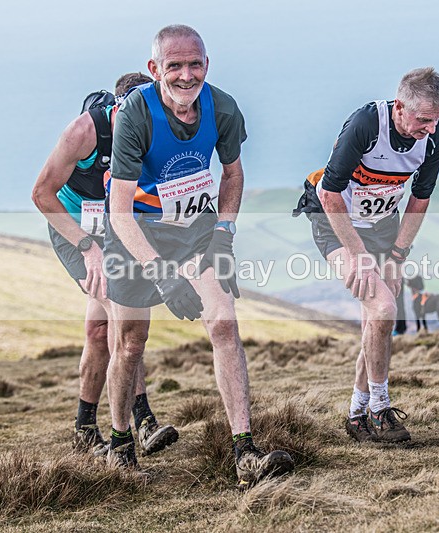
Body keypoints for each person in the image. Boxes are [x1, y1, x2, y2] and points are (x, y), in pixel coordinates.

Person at [104, 24, 294, 486]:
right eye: (174, 66)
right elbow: (120, 210)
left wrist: (225, 232)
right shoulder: (135, 115)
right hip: (138, 232)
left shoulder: (223, 108)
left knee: (225, 323)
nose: (186, 75)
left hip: (198, 229)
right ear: (155, 70)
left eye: (195, 64)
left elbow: (232, 175)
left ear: (206, 65)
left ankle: (244, 453)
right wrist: (163, 276)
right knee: (131, 341)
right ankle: (119, 443)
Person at [293, 67, 439, 443]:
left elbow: (420, 198)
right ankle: (380, 409)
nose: (430, 128)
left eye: (437, 120)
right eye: (423, 119)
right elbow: (330, 194)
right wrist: (359, 255)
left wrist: (398, 255)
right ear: (400, 107)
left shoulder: (436, 136)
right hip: (334, 219)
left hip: (382, 223)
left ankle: (356, 415)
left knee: (376, 321)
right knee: (382, 310)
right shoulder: (366, 124)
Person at [32, 73, 179, 457]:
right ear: (118, 107)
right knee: (122, 313)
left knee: (100, 332)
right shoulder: (83, 131)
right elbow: (41, 193)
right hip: (73, 230)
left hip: (115, 230)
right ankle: (142, 422)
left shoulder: (151, 131)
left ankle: (84, 426)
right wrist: (85, 246)